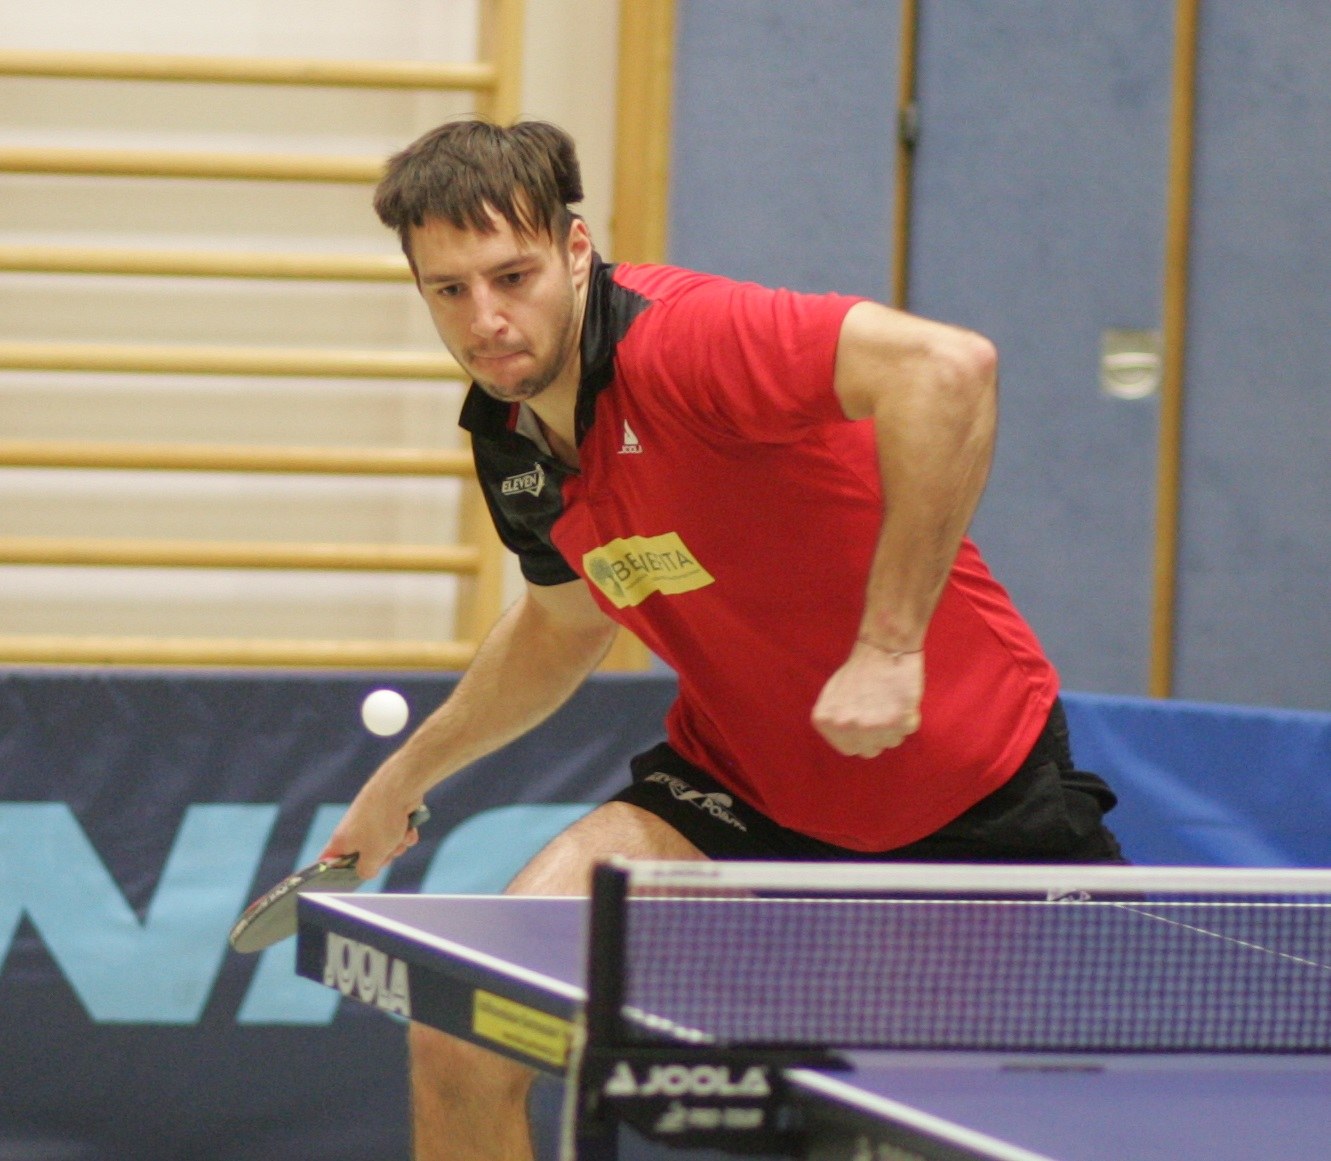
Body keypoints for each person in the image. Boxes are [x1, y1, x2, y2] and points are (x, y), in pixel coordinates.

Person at [322, 117, 1124, 1160]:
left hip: (964, 798)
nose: (486, 319)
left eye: (511, 276)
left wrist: (889, 645)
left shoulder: (686, 342)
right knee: (461, 1029)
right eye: (449, 290)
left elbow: (949, 367)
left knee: (920, 1134)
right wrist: (405, 777)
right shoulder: (511, 439)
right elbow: (564, 623)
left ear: (575, 250)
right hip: (739, 791)